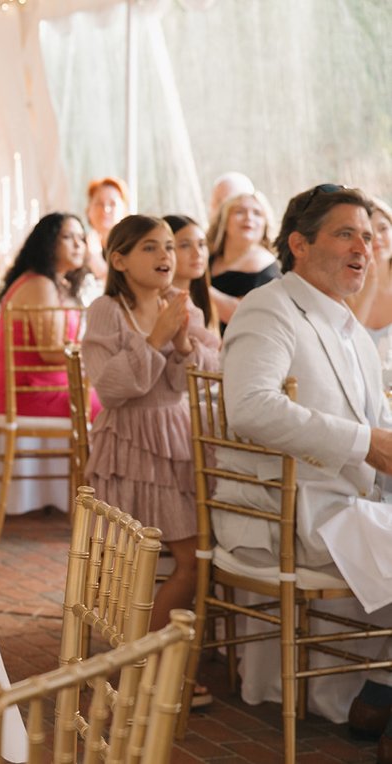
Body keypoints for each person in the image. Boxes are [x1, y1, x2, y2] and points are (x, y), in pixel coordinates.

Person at [214, 185, 392, 736]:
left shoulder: (348, 325)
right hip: (290, 509)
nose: (362, 246)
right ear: (299, 243)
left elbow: (375, 417)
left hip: (347, 501)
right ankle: (378, 695)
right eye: (345, 233)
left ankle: (378, 692)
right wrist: (366, 443)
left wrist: (376, 438)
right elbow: (250, 408)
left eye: (367, 235)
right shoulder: (269, 307)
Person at [82, 215, 219, 633]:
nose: (166, 255)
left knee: (194, 560)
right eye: (151, 247)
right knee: (130, 561)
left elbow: (201, 376)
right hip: (127, 444)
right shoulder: (106, 310)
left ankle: (147, 658)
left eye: (168, 246)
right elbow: (110, 389)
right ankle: (138, 660)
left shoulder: (181, 302)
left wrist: (181, 345)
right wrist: (155, 339)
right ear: (119, 261)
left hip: (176, 440)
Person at [0, 213, 97, 418]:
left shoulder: (57, 285)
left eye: (81, 238)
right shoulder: (40, 284)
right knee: (117, 409)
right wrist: (99, 352)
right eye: (68, 237)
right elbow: (50, 352)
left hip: (53, 388)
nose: (78, 245)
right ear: (48, 243)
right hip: (31, 393)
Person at [206, 192, 279, 325]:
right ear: (224, 220)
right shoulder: (207, 258)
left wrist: (200, 287)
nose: (249, 218)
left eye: (257, 213)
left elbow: (245, 316)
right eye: (239, 211)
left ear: (265, 224)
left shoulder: (269, 270)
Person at [347, 197, 392, 353]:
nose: (377, 237)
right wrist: (370, 283)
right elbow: (345, 344)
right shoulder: (342, 291)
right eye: (367, 234)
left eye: (383, 228)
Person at [165, 215, 218, 331]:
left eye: (201, 244)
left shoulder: (205, 300)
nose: (198, 253)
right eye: (185, 245)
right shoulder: (158, 305)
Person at [83, 176, 129, 280]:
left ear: (124, 210)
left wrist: (94, 258)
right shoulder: (78, 245)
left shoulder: (131, 247)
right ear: (88, 210)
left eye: (112, 204)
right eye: (99, 203)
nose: (105, 209)